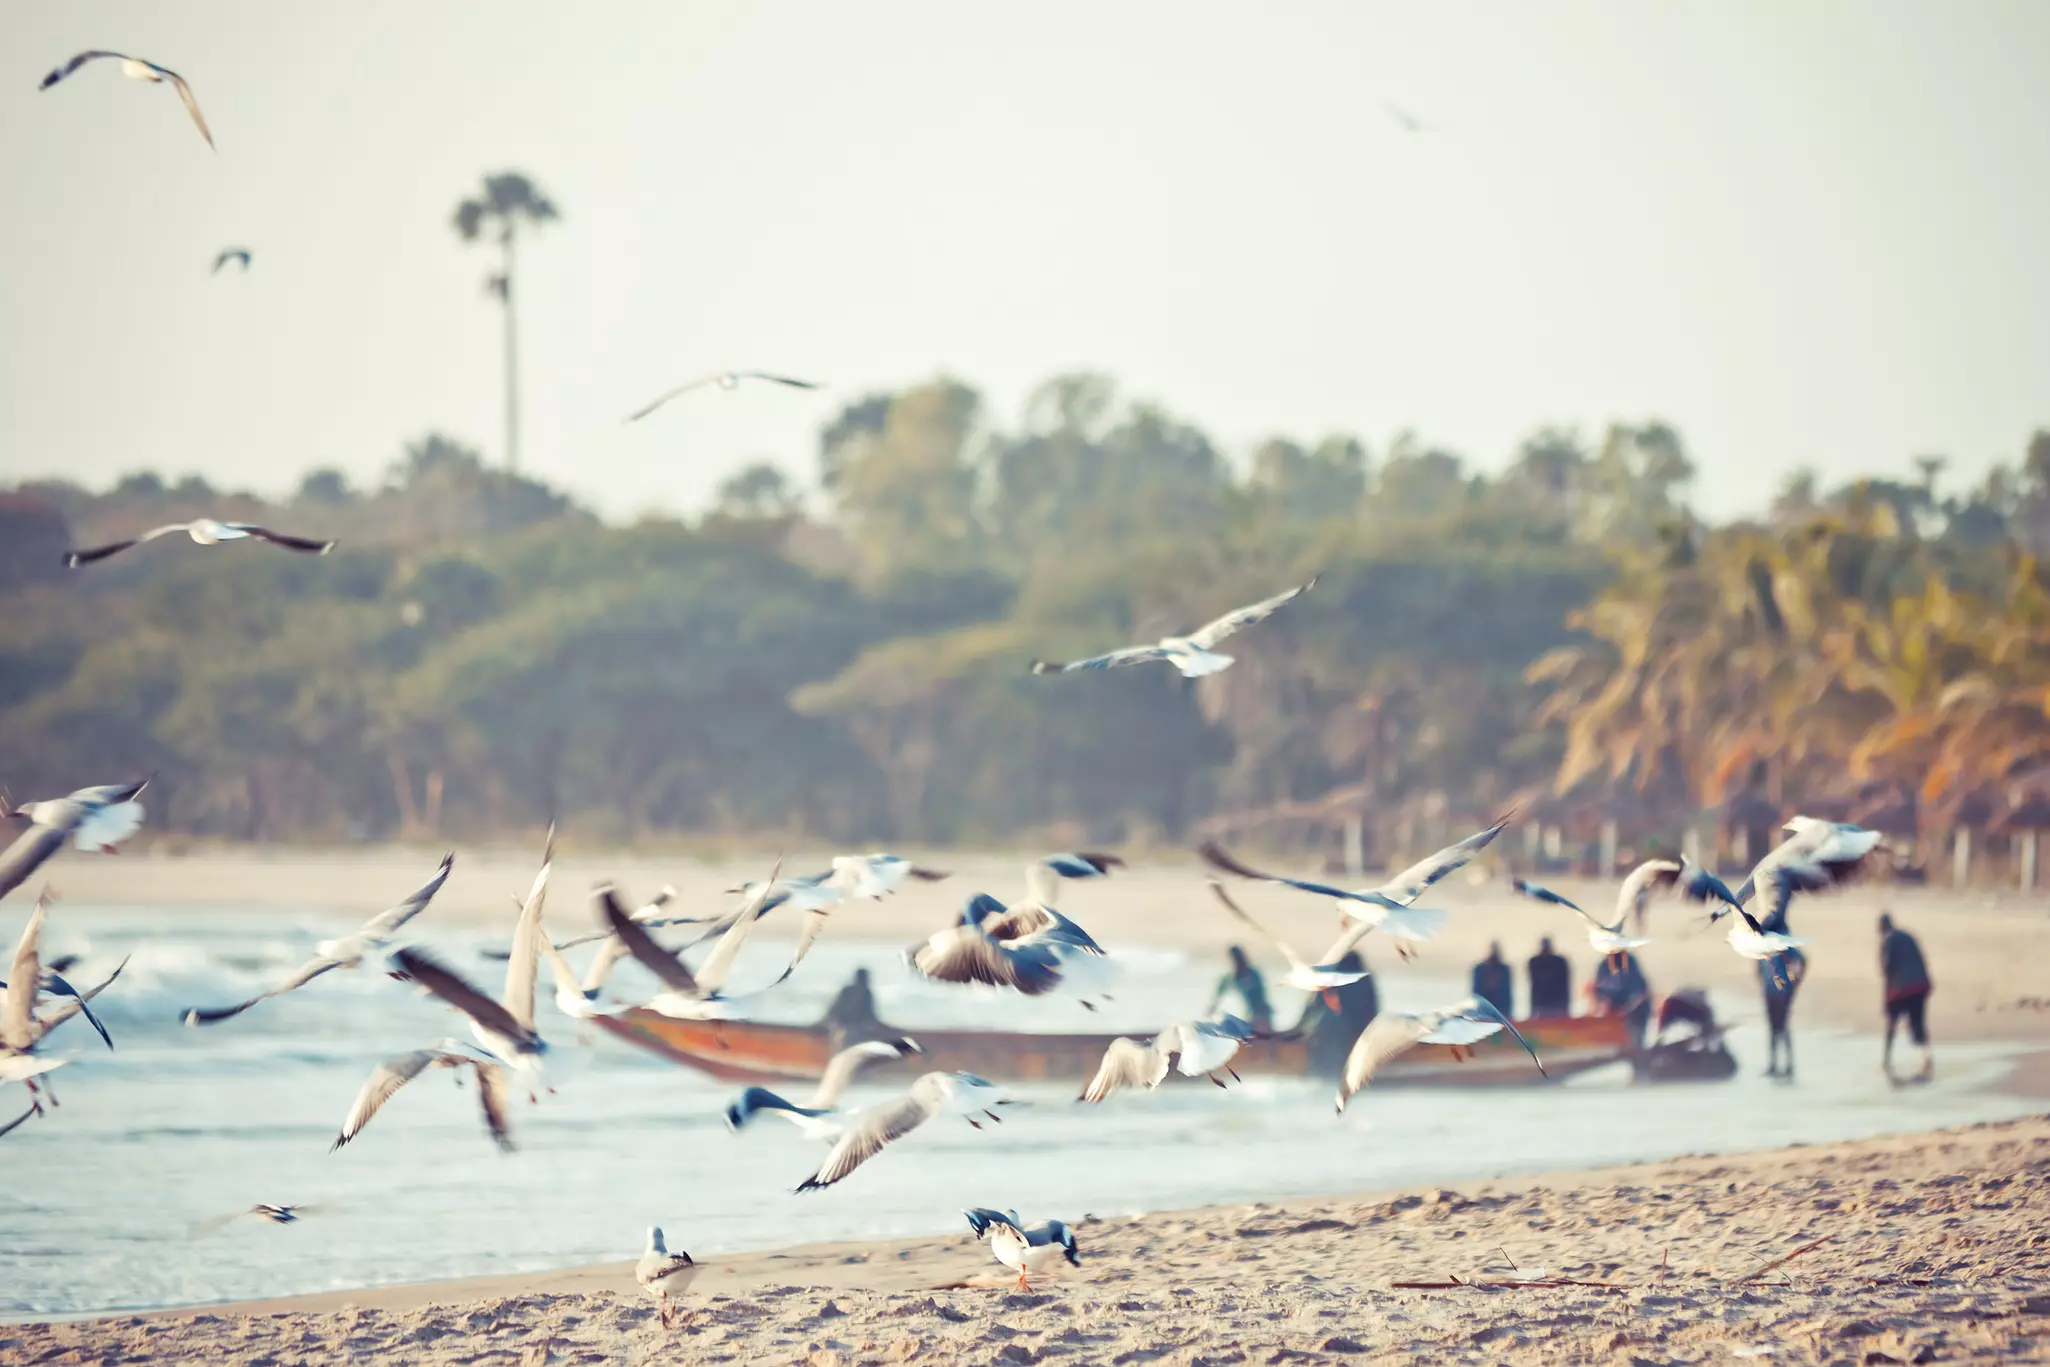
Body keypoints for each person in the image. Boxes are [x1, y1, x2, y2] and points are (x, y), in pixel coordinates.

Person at [1298, 950, 1378, 1078]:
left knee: (1320, 1066)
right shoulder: (1364, 978)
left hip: (1321, 1030)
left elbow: (1310, 1009)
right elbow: (1371, 1010)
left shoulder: (1328, 977)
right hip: (1346, 1031)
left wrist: (1299, 1029)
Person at [1879, 912, 1933, 1080]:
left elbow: (1887, 969)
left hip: (1901, 989)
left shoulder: (1887, 941)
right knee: (1918, 1024)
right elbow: (1922, 959)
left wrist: (1885, 1000)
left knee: (1892, 1024)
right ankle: (1926, 1058)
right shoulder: (1908, 936)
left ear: (1881, 929)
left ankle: (1887, 1061)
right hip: (1921, 985)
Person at [1757, 944, 1807, 1079]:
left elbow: (1803, 960)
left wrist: (1796, 982)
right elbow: (1758, 968)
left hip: (1783, 992)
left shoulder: (1784, 945)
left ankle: (1789, 1065)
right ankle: (1773, 1064)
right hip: (1769, 992)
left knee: (1783, 1027)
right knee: (1773, 1028)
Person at [1590, 950, 1651, 1049]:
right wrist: (1600, 1012)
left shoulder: (1628, 963)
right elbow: (1599, 994)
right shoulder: (1604, 965)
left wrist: (1624, 1011)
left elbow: (1639, 995)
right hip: (1615, 1018)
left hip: (1635, 1015)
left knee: (1633, 1046)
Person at [1207, 945, 1274, 1034]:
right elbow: (1217, 997)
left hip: (1260, 1015)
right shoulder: (1230, 978)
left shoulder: (1252, 974)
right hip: (1251, 1016)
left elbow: (1261, 998)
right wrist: (1210, 1013)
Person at [820, 966, 882, 1043]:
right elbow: (869, 1014)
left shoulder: (847, 990)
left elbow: (835, 1009)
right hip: (855, 1028)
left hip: (840, 1026)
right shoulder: (865, 992)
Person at [1526, 937, 1572, 1017]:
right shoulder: (1535, 962)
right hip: (1542, 1004)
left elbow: (1564, 984)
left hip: (1556, 1004)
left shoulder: (1559, 961)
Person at [1469, 942, 1513, 1017]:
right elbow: (1476, 994)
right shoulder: (1479, 969)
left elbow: (1507, 995)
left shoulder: (1504, 969)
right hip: (1482, 1010)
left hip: (1500, 1009)